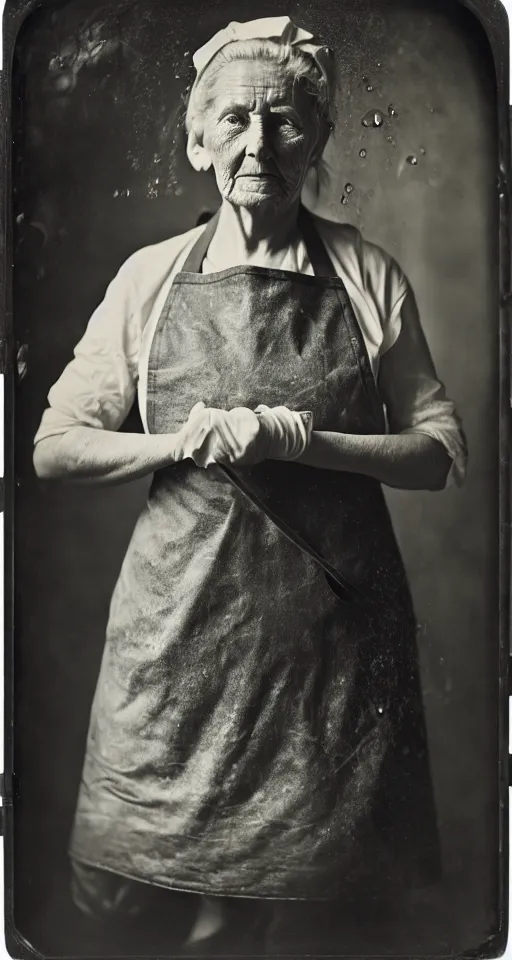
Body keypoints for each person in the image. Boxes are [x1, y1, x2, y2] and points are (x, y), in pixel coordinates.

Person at [33, 15, 467, 954]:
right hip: (174, 651)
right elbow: (54, 447)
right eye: (233, 121)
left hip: (331, 670)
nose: (256, 146)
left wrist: (302, 438)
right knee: (120, 910)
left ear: (316, 138)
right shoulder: (150, 280)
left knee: (303, 927)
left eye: (285, 122)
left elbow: (437, 451)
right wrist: (178, 445)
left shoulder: (366, 274)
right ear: (198, 140)